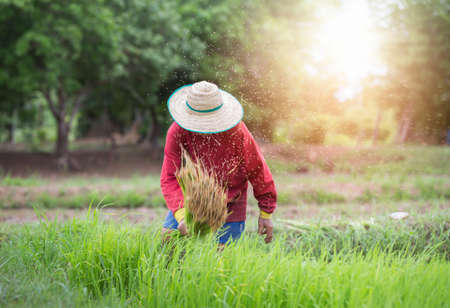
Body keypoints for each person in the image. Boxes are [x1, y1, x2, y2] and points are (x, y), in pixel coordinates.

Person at [160, 81, 277, 244]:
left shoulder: (237, 132)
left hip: (231, 200)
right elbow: (169, 176)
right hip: (192, 198)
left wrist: (266, 213)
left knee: (223, 258)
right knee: (169, 240)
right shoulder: (178, 131)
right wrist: (181, 215)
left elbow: (258, 170)